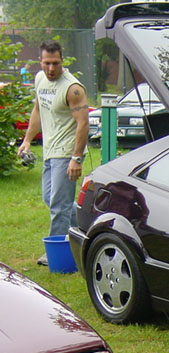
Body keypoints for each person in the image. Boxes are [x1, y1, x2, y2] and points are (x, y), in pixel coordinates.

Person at [18, 41, 89, 267]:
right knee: (50, 198)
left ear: (62, 61)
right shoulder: (40, 79)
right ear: (40, 61)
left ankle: (55, 253)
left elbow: (83, 123)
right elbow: (38, 109)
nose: (51, 69)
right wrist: (27, 140)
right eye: (47, 63)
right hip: (49, 151)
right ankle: (88, 225)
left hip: (67, 152)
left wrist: (76, 158)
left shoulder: (72, 88)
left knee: (58, 205)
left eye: (55, 63)